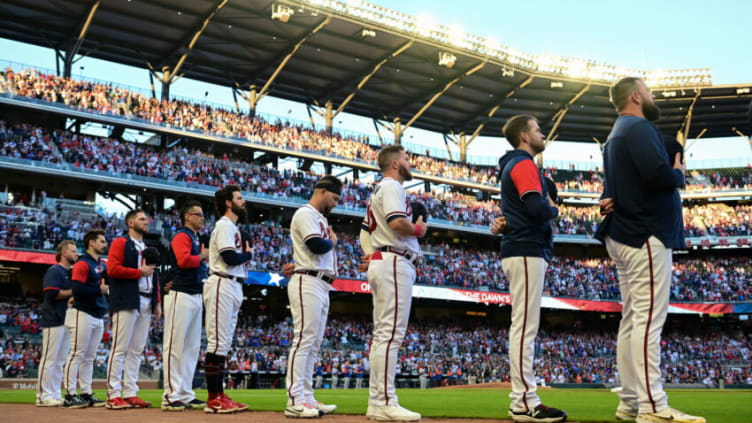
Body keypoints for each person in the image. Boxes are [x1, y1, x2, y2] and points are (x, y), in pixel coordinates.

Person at [596, 77, 704, 423]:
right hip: (645, 232)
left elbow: (620, 186)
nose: (653, 97)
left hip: (627, 232)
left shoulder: (618, 132)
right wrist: (678, 172)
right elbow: (658, 176)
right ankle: (653, 406)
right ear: (636, 96)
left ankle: (630, 401)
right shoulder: (638, 127)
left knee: (632, 321)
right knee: (646, 321)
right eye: (649, 92)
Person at [496, 115, 567, 423]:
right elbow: (538, 209)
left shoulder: (519, 165)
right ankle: (524, 402)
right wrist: (555, 208)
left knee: (524, 326)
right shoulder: (524, 164)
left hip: (522, 248)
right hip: (526, 249)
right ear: (524, 136)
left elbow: (520, 211)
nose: (543, 134)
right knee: (525, 327)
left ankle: (523, 399)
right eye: (538, 130)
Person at [359, 144, 427, 422]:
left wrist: (371, 255)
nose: (410, 163)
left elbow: (364, 231)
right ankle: (386, 401)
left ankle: (377, 402)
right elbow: (398, 223)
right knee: (390, 336)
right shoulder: (392, 187)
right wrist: (419, 229)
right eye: (407, 159)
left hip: (385, 260)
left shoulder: (380, 189)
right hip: (395, 261)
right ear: (396, 164)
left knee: (383, 336)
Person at [284, 175, 342, 418]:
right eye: (334, 197)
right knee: (304, 340)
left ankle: (307, 397)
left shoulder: (319, 217)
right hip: (307, 279)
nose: (336, 203)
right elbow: (316, 245)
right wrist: (333, 241)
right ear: (322, 191)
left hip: (321, 283)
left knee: (314, 343)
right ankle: (295, 399)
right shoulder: (305, 213)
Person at [203, 185, 252, 413]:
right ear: (228, 203)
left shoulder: (232, 227)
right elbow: (230, 256)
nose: (244, 201)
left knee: (224, 343)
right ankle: (213, 398)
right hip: (222, 281)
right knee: (217, 342)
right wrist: (249, 254)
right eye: (239, 198)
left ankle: (220, 394)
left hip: (233, 284)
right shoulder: (223, 225)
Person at [105, 209, 160, 409]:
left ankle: (130, 392)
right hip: (128, 298)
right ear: (130, 223)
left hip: (146, 300)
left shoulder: (146, 246)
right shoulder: (121, 242)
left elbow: (154, 276)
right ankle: (112, 394)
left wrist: (158, 301)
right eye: (142, 219)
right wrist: (138, 272)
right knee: (119, 348)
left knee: (136, 350)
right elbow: (112, 269)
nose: (146, 222)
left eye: (146, 219)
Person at [162, 200, 209, 411]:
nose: (202, 218)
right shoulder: (182, 235)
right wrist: (202, 256)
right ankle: (170, 395)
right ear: (187, 216)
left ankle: (185, 392)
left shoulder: (195, 237)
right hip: (181, 294)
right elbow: (183, 261)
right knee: (175, 346)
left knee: (191, 348)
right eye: (198, 214)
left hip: (196, 293)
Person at [63, 229, 108, 409]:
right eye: (102, 241)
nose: (105, 244)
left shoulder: (101, 264)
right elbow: (78, 290)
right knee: (77, 354)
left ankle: (86, 392)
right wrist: (99, 291)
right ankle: (69, 395)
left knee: (89, 357)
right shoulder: (83, 263)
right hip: (83, 313)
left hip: (97, 313)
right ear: (91, 243)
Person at [36, 240, 77, 407]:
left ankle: (54, 392)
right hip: (53, 318)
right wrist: (74, 292)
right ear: (64, 253)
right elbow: (51, 293)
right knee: (50, 359)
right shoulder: (54, 271)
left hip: (65, 318)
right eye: (73, 251)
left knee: (60, 360)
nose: (76, 254)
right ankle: (43, 395)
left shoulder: (68, 273)